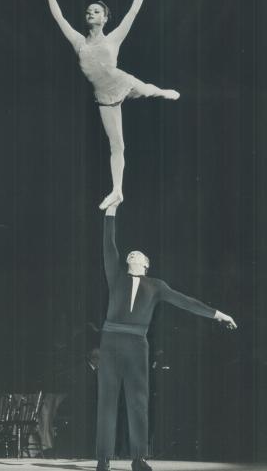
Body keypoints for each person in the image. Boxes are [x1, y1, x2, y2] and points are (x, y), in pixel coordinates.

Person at [97, 202, 237, 471]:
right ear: (129, 262)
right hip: (112, 341)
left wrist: (218, 314)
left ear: (146, 265)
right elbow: (108, 244)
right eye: (132, 254)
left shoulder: (156, 286)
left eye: (140, 255)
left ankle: (138, 458)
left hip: (137, 344)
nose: (135, 255)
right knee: (107, 401)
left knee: (138, 401)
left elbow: (187, 302)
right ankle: (103, 459)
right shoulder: (115, 274)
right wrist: (111, 211)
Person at [40, 0, 180, 210]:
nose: (91, 13)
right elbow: (59, 18)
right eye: (89, 11)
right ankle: (117, 190)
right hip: (105, 98)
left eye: (97, 11)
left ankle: (163, 91)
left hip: (122, 82)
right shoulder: (79, 42)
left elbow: (132, 12)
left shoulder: (113, 38)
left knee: (147, 91)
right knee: (118, 145)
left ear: (105, 18)